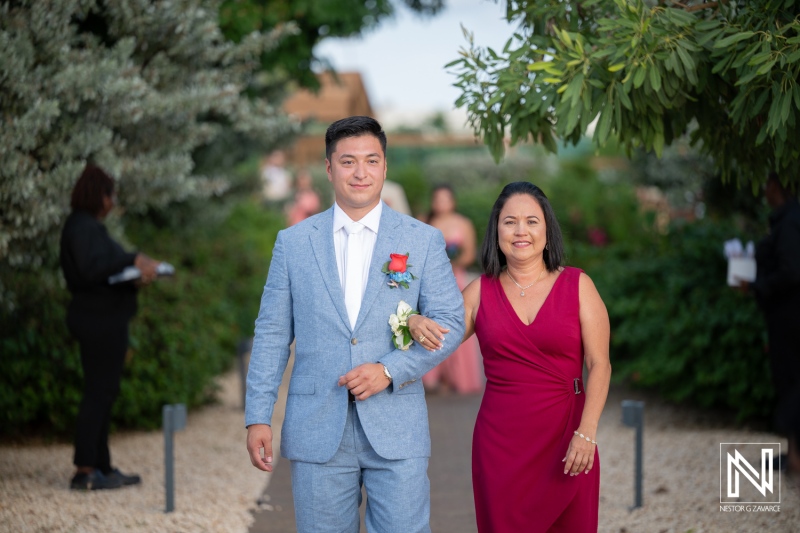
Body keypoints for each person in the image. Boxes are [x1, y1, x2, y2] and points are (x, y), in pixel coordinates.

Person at [245, 116, 465, 533]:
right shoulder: (293, 243)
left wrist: (389, 370)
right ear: (329, 169)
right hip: (316, 427)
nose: (360, 172)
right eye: (348, 162)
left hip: (397, 426)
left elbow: (451, 321)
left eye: (371, 160)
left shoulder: (422, 239)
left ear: (385, 166)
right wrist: (258, 415)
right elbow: (272, 333)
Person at [409, 181, 611, 532]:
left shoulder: (579, 285)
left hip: (569, 440)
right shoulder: (478, 292)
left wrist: (587, 432)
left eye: (531, 221)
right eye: (509, 222)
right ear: (496, 231)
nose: (521, 231)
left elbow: (600, 364)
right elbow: (435, 343)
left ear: (547, 230)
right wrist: (413, 320)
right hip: (500, 448)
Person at [60, 164, 162, 490]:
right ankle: (85, 470)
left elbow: (105, 274)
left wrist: (134, 275)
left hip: (104, 319)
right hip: (97, 321)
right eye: (111, 195)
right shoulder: (81, 227)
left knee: (104, 392)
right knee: (98, 392)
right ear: (99, 195)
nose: (113, 201)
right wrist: (131, 260)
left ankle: (101, 466)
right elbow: (92, 270)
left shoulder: (90, 228)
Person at [738, 173, 800, 473]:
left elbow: (791, 272)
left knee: (791, 382)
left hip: (791, 320)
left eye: (767, 185)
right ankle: (793, 454)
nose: (764, 192)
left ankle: (796, 457)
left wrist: (755, 286)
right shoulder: (788, 220)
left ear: (776, 186)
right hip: (787, 318)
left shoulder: (789, 223)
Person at [421, 184, 482, 394]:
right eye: (437, 199)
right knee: (432, 321)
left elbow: (470, 254)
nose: (441, 203)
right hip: (431, 280)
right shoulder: (425, 222)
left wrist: (451, 262)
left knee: (457, 322)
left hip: (456, 279)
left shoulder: (463, 223)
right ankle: (434, 375)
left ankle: (457, 376)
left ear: (453, 201)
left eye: (445, 199)